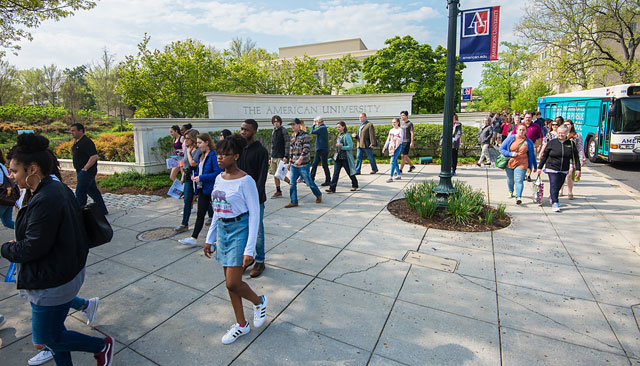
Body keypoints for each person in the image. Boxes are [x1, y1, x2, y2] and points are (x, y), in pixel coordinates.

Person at [1, 133, 113, 366]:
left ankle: (101, 346)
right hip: (57, 273)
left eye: (14, 171)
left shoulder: (47, 197)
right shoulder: (49, 187)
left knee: (46, 339)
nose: (11, 176)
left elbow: (33, 247)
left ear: (32, 169)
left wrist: (7, 249)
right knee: (55, 330)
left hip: (53, 281)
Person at [203, 134, 268, 345]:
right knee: (231, 285)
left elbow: (255, 215)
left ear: (236, 156)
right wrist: (209, 237)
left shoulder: (246, 180)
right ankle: (241, 324)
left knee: (233, 282)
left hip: (240, 229)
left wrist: (250, 249)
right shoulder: (219, 178)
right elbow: (217, 210)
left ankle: (259, 302)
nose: (220, 158)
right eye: (219, 154)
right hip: (223, 230)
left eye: (226, 154)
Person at [237, 119, 269, 278]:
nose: (243, 132)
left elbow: (262, 178)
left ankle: (260, 260)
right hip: (239, 199)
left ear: (254, 131)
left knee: (257, 231)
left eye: (246, 130)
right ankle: (247, 258)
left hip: (256, 199)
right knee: (243, 230)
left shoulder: (261, 151)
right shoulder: (239, 150)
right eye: (242, 129)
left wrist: (254, 199)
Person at [178, 133, 222, 246]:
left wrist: (201, 177)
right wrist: (196, 175)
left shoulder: (213, 155)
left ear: (207, 142)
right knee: (200, 214)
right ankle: (194, 237)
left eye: (199, 143)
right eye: (197, 143)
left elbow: (217, 173)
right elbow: (199, 169)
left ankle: (219, 237)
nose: (198, 145)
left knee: (219, 215)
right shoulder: (201, 156)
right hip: (202, 189)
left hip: (213, 190)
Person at [538, 125, 581, 212]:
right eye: (559, 133)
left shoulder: (571, 144)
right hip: (552, 167)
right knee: (554, 184)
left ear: (567, 133)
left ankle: (552, 195)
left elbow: (576, 158)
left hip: (564, 169)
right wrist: (540, 167)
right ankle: (555, 203)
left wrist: (578, 169)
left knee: (558, 185)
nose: (560, 135)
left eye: (563, 133)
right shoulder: (552, 142)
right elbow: (545, 155)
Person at [70, 123, 108, 215]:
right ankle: (102, 210)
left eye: (73, 130)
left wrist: (85, 169)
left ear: (81, 131)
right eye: (71, 131)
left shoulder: (86, 142)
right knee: (93, 191)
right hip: (81, 171)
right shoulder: (77, 142)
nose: (72, 133)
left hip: (86, 172)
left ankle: (79, 214)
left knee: (80, 193)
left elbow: (94, 156)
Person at [285, 118, 322, 208]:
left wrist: (300, 159)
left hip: (303, 165)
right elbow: (291, 150)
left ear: (298, 125)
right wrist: (290, 162)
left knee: (309, 182)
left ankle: (318, 194)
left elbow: (306, 148)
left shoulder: (305, 135)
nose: (292, 126)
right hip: (294, 164)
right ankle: (294, 201)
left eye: (294, 124)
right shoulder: (293, 136)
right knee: (292, 183)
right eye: (291, 125)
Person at [499, 123, 537, 204]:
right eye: (520, 130)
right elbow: (501, 149)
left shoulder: (528, 141)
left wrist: (535, 166)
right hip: (510, 162)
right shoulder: (511, 138)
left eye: (523, 130)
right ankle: (510, 191)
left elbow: (532, 154)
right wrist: (510, 154)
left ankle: (518, 197)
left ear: (526, 131)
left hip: (522, 163)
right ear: (516, 130)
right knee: (510, 179)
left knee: (519, 180)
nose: (521, 131)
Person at [175, 129, 200, 233]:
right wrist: (183, 176)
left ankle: (211, 216)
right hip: (188, 178)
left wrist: (189, 152)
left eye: (188, 138)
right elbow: (185, 164)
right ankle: (184, 223)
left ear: (193, 138)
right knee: (187, 201)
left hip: (197, 177)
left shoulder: (198, 150)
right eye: (185, 138)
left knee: (204, 199)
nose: (185, 141)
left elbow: (193, 163)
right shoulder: (187, 149)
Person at [326, 121, 358, 193]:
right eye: (337, 127)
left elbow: (350, 146)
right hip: (338, 157)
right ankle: (332, 188)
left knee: (349, 172)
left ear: (343, 127)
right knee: (335, 173)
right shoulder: (339, 135)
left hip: (345, 158)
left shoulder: (347, 135)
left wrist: (342, 147)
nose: (338, 128)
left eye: (339, 127)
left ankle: (355, 184)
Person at [562, 119, 586, 200]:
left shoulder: (577, 135)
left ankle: (570, 191)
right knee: (561, 174)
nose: (566, 126)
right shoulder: (561, 134)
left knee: (570, 173)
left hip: (572, 157)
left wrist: (581, 159)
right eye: (565, 124)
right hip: (562, 157)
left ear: (571, 125)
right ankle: (560, 190)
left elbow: (580, 148)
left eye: (568, 124)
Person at [269, 115, 290, 198]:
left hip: (281, 156)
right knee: (275, 174)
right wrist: (270, 156)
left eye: (277, 121)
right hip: (274, 155)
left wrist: (286, 155)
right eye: (274, 122)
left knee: (281, 174)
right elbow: (272, 145)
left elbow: (287, 143)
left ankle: (291, 184)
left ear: (280, 122)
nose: (276, 123)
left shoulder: (283, 130)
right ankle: (278, 191)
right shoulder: (273, 131)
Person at [310, 116, 331, 186]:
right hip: (320, 149)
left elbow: (312, 131)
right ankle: (311, 178)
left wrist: (313, 126)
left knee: (324, 165)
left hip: (322, 149)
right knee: (315, 164)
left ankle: (328, 180)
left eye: (316, 122)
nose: (315, 123)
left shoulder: (322, 128)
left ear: (319, 122)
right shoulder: (322, 128)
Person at [382, 118, 404, 182]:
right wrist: (385, 147)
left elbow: (401, 139)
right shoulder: (391, 130)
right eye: (392, 122)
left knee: (392, 161)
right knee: (395, 160)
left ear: (398, 123)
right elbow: (388, 140)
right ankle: (398, 175)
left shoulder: (400, 130)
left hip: (397, 147)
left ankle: (390, 176)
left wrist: (396, 138)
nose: (393, 123)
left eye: (395, 122)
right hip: (392, 146)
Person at [0, 150, 15, 229]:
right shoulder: (2, 166)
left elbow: (1, 182)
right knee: (7, 222)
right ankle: (26, 230)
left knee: (7, 222)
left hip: (2, 198)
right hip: (8, 197)